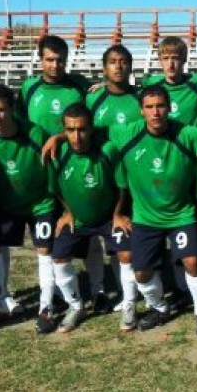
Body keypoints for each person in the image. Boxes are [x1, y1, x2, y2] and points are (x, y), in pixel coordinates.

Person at [109, 84, 197, 336]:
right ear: (141, 110)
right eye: (149, 107)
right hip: (145, 216)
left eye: (160, 106)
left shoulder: (190, 134)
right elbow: (89, 133)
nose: (156, 112)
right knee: (142, 272)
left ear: (169, 108)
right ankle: (159, 307)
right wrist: (57, 137)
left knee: (191, 260)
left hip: (181, 213)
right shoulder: (125, 134)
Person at [46, 103, 134, 334]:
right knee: (58, 259)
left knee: (126, 252)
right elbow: (54, 188)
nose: (77, 136)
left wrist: (118, 214)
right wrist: (67, 212)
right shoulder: (58, 154)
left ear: (91, 128)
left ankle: (129, 305)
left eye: (82, 129)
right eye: (71, 130)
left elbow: (122, 187)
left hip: (108, 218)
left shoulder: (108, 150)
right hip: (79, 221)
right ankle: (76, 306)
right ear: (64, 130)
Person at [0, 84, 56, 326]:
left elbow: (53, 168)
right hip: (3, 205)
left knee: (45, 251)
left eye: (1, 110)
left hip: (40, 204)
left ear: (12, 109)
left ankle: (46, 308)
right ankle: (0, 306)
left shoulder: (36, 135)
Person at [83, 44, 142, 312]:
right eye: (113, 62)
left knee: (126, 237)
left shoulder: (140, 98)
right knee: (95, 237)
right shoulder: (92, 99)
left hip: (133, 178)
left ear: (130, 66)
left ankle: (128, 291)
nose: (118, 66)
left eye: (123, 61)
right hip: (101, 177)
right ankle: (98, 289)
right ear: (104, 67)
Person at [17, 35, 91, 136]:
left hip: (71, 150)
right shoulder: (29, 87)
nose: (55, 65)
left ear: (66, 60)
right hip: (38, 150)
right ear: (41, 59)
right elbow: (19, 121)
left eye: (60, 60)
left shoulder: (80, 84)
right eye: (50, 60)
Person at [142, 36, 197, 127]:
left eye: (175, 58)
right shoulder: (151, 84)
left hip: (190, 140)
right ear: (160, 61)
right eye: (166, 58)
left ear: (184, 59)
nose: (170, 64)